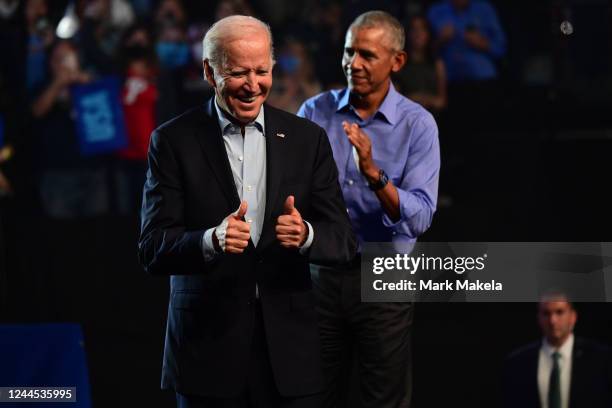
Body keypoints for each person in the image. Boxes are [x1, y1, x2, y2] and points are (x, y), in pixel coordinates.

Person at [138, 15, 356, 408]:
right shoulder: (171, 141)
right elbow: (152, 248)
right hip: (206, 352)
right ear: (209, 71)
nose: (253, 85)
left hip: (290, 357)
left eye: (261, 70)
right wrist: (210, 240)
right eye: (238, 72)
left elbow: (343, 240)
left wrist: (306, 234)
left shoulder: (308, 140)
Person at [298, 10, 440, 408]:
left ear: (397, 61)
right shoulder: (314, 112)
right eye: (348, 52)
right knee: (314, 394)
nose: (352, 63)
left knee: (384, 399)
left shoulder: (418, 125)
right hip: (320, 273)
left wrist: (374, 174)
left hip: (385, 275)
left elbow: (421, 216)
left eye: (366, 55)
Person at [503, 295, 612, 408]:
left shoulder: (600, 359)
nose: (552, 320)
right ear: (538, 318)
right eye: (546, 313)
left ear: (573, 316)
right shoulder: (518, 362)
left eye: (559, 312)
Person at [393, 15, 447, 113]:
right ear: (407, 34)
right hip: (405, 118)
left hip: (434, 119)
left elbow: (441, 101)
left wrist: (424, 99)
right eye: (414, 29)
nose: (418, 33)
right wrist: (416, 99)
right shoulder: (399, 63)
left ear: (428, 34)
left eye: (422, 29)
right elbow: (394, 102)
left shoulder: (437, 63)